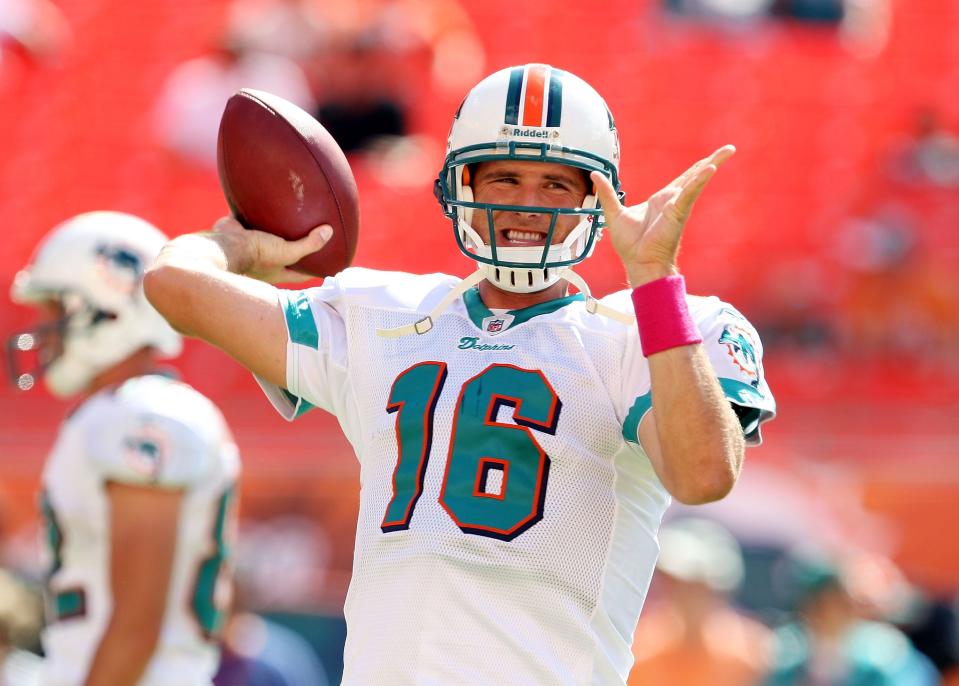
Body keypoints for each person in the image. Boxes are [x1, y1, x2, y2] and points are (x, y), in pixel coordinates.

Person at [144, 64, 776, 684]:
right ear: (461, 185)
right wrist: (244, 248)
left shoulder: (640, 335)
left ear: (595, 198)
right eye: (505, 178)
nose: (529, 205)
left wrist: (656, 280)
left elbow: (701, 476)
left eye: (555, 184)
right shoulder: (383, 316)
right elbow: (174, 285)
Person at [6, 212, 241, 685]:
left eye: (55, 309)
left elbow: (137, 624)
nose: (44, 328)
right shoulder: (121, 412)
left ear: (106, 306)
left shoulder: (141, 415)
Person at [628, 517, 771, 686]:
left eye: (696, 587)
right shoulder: (640, 650)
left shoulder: (753, 654)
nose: (684, 596)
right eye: (676, 583)